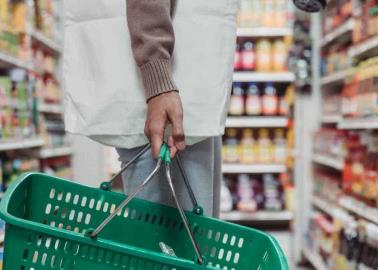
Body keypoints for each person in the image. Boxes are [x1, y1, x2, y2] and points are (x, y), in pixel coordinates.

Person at [63, 0, 238, 217]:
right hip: (168, 95)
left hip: (182, 90)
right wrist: (159, 83)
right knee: (170, 239)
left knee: (190, 233)